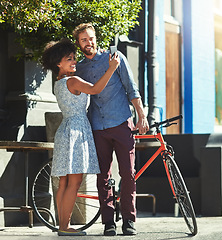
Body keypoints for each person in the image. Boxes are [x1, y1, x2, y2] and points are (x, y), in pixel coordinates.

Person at [73, 23, 149, 236]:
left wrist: (141, 116)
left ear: (96, 38)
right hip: (97, 127)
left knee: (128, 173)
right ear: (79, 44)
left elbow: (132, 89)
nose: (89, 42)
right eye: (83, 40)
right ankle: (109, 222)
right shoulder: (79, 68)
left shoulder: (115, 58)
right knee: (103, 177)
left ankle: (129, 220)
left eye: (91, 38)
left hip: (121, 123)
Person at [41, 38, 120, 236]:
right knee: (74, 182)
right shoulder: (73, 81)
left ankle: (62, 226)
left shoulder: (58, 83)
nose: (74, 61)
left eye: (74, 58)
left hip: (65, 130)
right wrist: (111, 68)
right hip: (77, 130)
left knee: (64, 183)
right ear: (59, 63)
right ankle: (65, 227)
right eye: (69, 59)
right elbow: (95, 89)